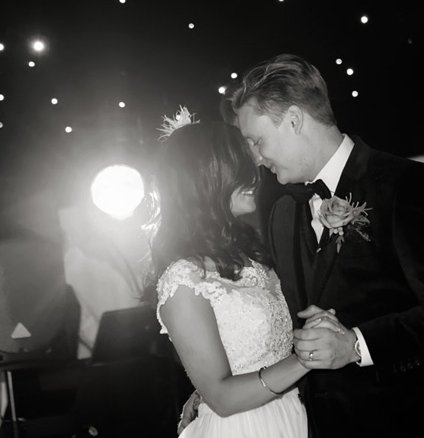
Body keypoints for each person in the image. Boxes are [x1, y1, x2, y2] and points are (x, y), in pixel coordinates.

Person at [195, 53, 424, 437]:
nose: (256, 158)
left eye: (257, 140)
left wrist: (355, 346)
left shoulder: (404, 184)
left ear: (295, 119)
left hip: (412, 421)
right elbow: (290, 330)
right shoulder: (282, 214)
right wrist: (220, 392)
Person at [141, 108, 338, 437]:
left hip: (293, 415)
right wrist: (306, 358)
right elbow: (222, 397)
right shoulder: (183, 280)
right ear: (206, 178)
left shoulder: (254, 255)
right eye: (240, 167)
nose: (255, 174)